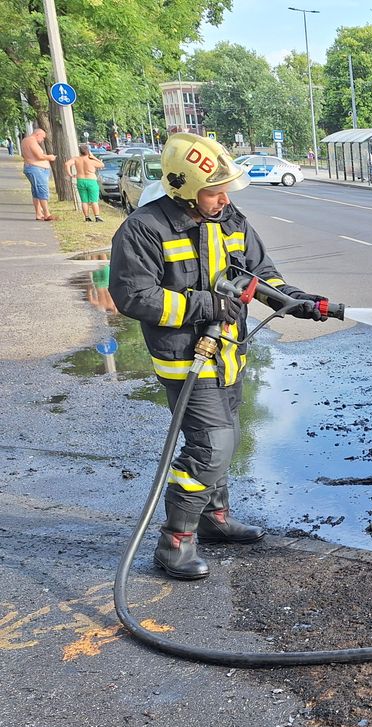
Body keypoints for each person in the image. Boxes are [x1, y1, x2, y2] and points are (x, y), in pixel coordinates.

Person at [110, 133, 335, 580]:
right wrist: (204, 306)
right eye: (214, 190)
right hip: (185, 359)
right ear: (184, 187)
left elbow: (260, 274)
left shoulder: (230, 219)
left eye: (225, 189)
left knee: (226, 438)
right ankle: (175, 542)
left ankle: (214, 519)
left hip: (228, 354)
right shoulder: (145, 228)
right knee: (210, 447)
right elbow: (133, 296)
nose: (223, 198)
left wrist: (297, 300)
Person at [20, 128, 56, 221]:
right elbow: (39, 156)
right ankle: (47, 213)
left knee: (36, 191)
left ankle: (39, 213)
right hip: (36, 169)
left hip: (32, 167)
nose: (43, 140)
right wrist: (50, 157)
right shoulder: (31, 141)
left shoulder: (25, 140)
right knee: (42, 190)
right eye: (42, 137)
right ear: (37, 134)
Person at [67, 144, 105, 223]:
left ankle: (87, 217)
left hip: (80, 180)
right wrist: (94, 157)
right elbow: (102, 165)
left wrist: (70, 174)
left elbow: (67, 164)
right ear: (88, 151)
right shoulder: (91, 160)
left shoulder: (76, 159)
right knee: (94, 200)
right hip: (91, 180)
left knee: (84, 201)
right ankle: (97, 216)